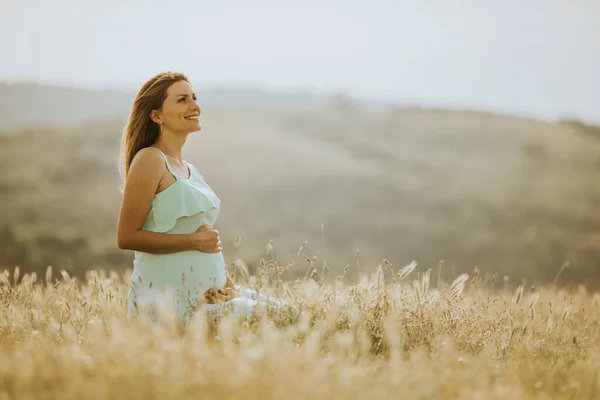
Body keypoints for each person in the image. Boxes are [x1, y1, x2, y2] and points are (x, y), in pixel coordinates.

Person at [117, 72, 283, 327]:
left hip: (211, 298)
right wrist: (194, 241)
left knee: (290, 312)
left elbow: (205, 242)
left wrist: (229, 286)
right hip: (173, 306)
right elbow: (127, 237)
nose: (194, 106)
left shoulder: (189, 169)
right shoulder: (150, 160)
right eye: (182, 100)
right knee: (280, 319)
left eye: (194, 97)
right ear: (156, 115)